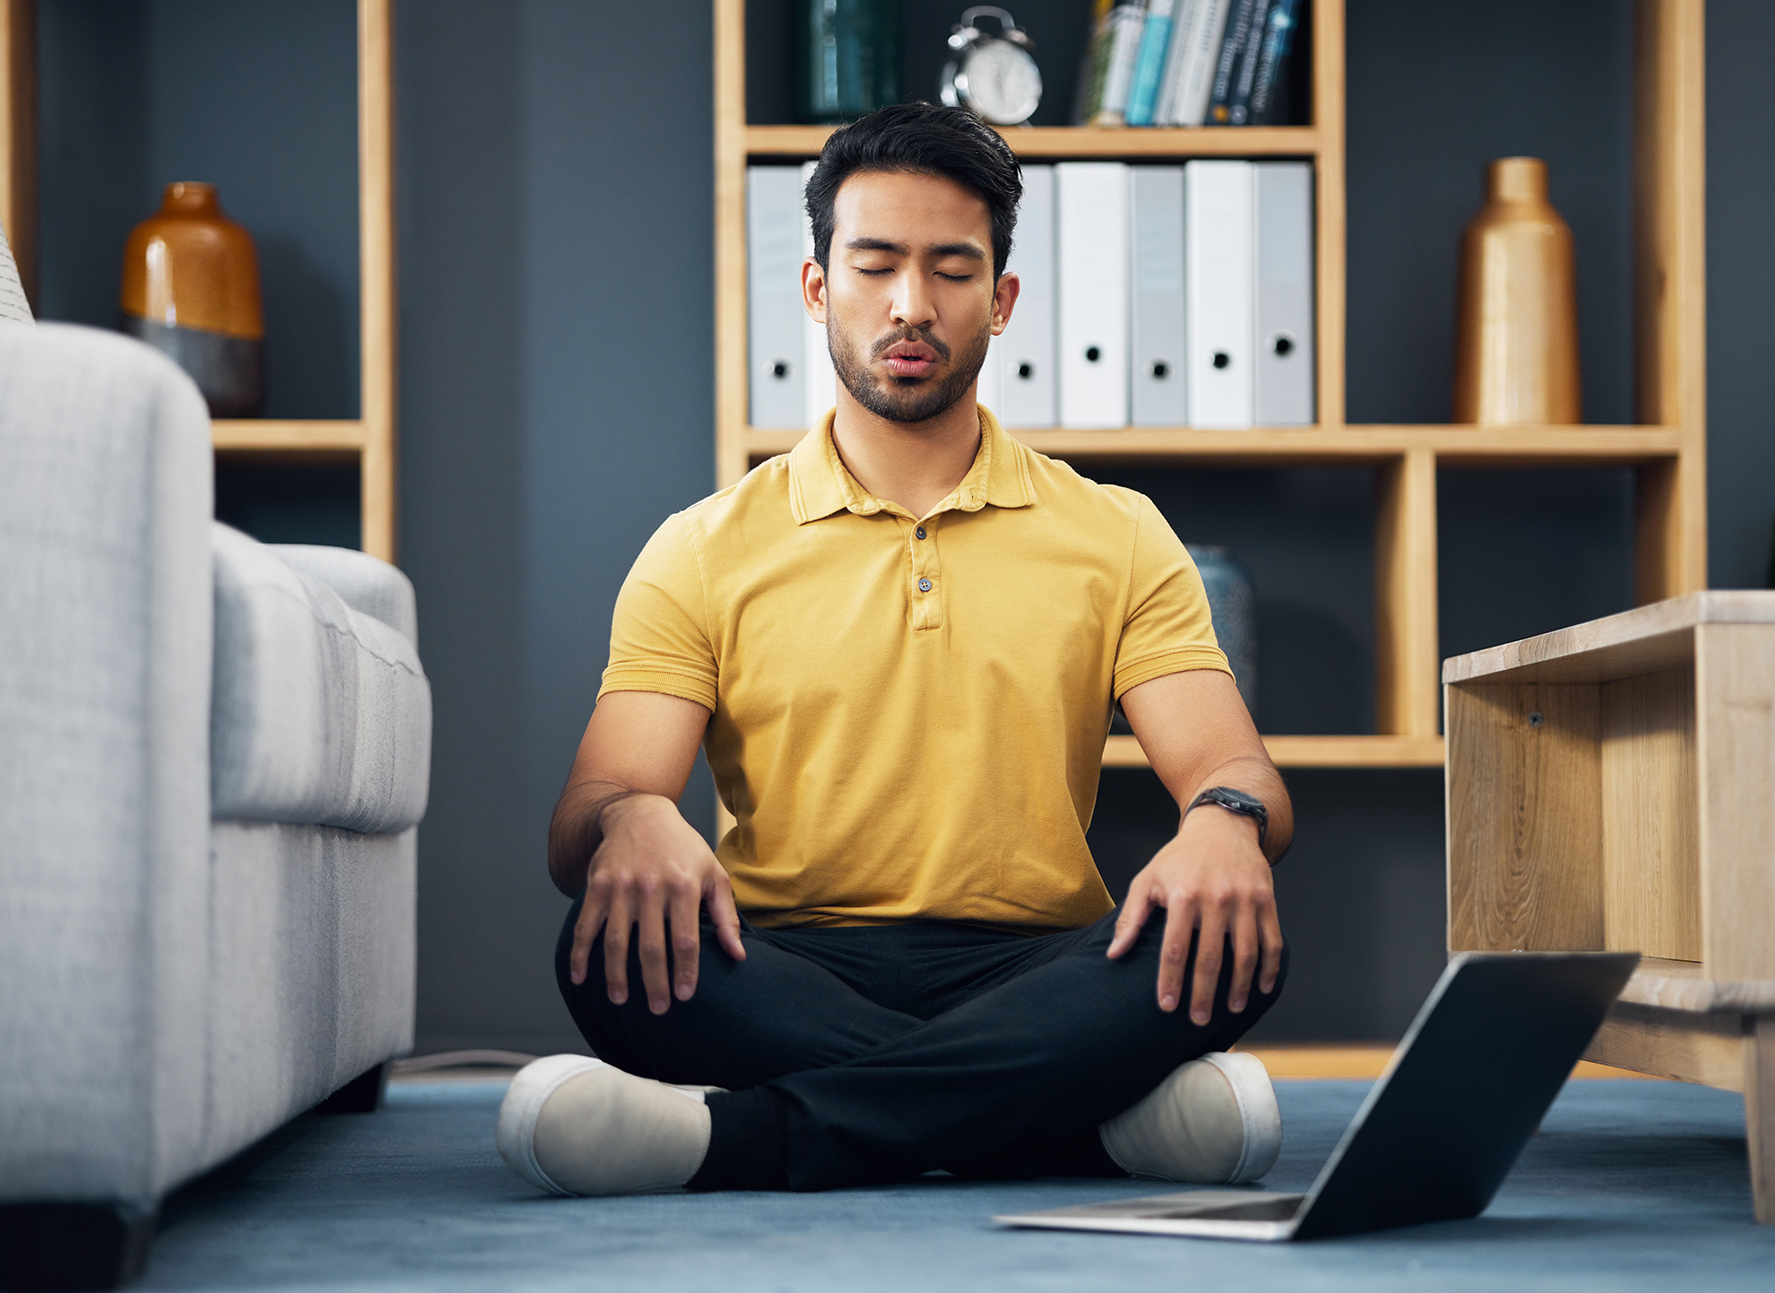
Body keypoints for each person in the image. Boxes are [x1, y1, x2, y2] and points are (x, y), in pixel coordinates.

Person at [497, 102, 1293, 1197]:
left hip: (1039, 965)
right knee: (610, 954)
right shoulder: (702, 548)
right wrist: (630, 818)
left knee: (1226, 937)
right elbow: (584, 818)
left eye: (952, 270)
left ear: (1001, 300)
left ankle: (731, 1142)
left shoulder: (1118, 533)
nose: (911, 304)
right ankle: (1085, 1131)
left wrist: (1225, 823)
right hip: (779, 960)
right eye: (874, 266)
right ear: (818, 287)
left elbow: (1235, 769)